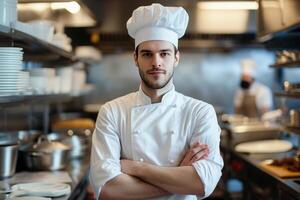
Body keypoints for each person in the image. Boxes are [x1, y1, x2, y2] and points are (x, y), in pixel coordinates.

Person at [90, 4, 223, 200]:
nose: (156, 62)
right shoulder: (112, 111)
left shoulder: (200, 112)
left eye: (164, 53)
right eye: (147, 54)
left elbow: (203, 183)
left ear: (176, 58)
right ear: (135, 58)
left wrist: (137, 168)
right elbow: (108, 189)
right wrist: (180, 176)